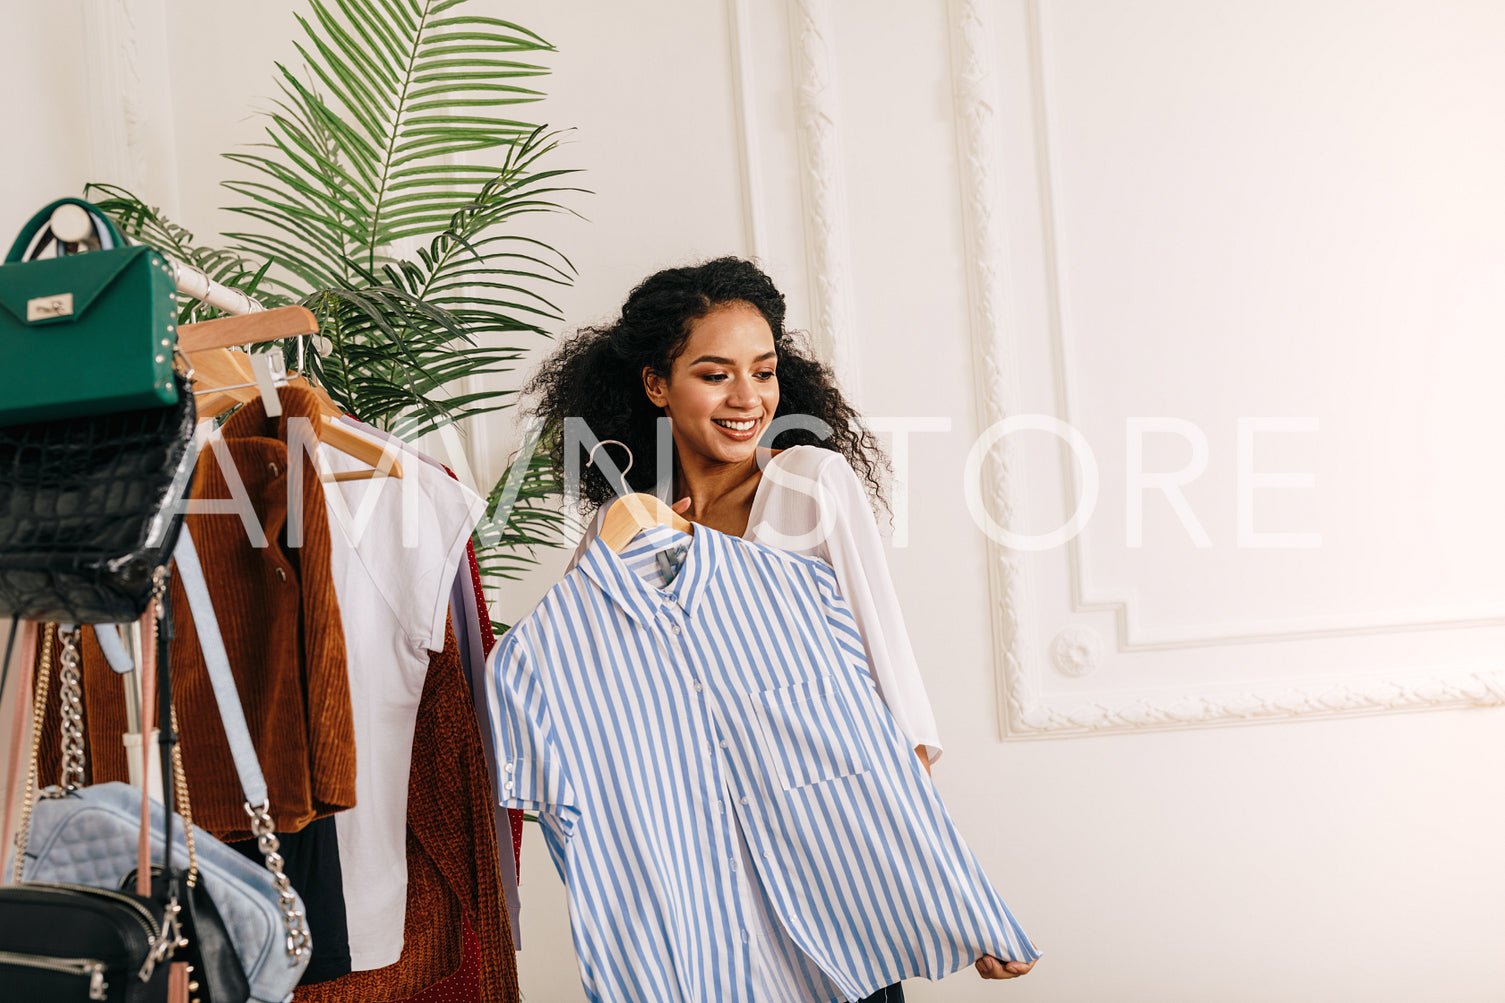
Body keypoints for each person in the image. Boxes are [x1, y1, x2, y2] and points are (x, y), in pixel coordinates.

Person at [524, 256, 1036, 995]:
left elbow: (892, 706)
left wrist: (952, 895)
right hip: (703, 885)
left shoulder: (807, 483)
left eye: (762, 372)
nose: (747, 397)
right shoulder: (625, 522)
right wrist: (616, 537)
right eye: (714, 373)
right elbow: (563, 686)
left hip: (830, 860)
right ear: (655, 384)